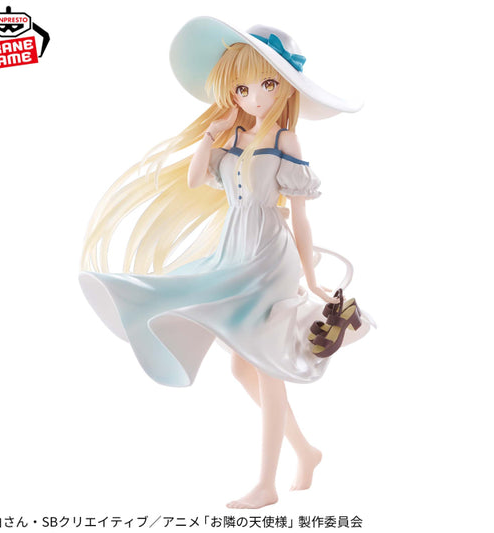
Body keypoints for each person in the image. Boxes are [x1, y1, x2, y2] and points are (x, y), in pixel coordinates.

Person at [79, 16, 372, 509]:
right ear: (231, 92)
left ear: (284, 88)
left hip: (269, 254)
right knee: (241, 369)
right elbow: (197, 180)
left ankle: (266, 484)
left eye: (267, 84)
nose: (255, 97)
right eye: (242, 88)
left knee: (266, 365)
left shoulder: (285, 142)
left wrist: (312, 278)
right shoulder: (233, 138)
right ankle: (306, 452)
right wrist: (210, 136)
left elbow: (301, 218)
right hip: (234, 246)